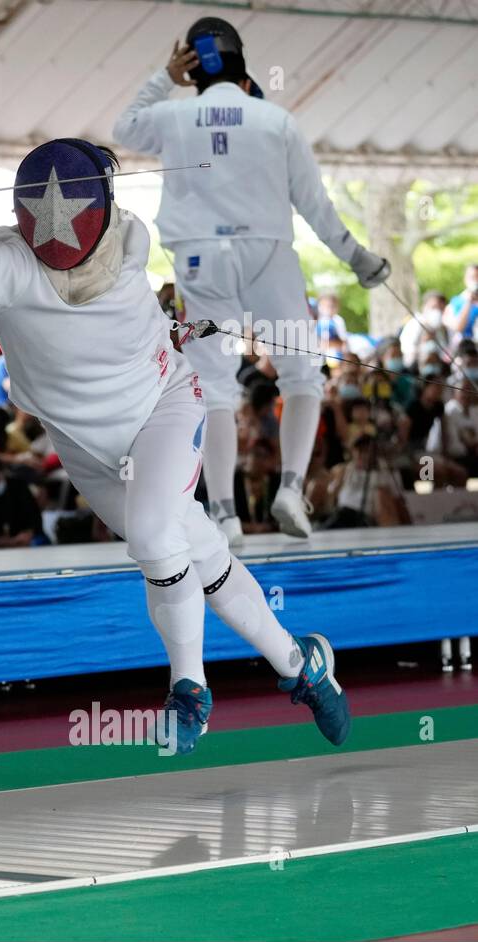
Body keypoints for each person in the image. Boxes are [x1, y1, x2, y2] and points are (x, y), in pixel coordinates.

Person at [0, 136, 351, 759]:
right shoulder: (8, 272)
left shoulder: (130, 245)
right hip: (86, 451)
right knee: (195, 551)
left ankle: (190, 689)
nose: (66, 263)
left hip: (165, 413)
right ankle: (300, 661)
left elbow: (122, 317)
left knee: (155, 536)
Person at [113, 16, 390, 547]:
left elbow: (124, 128)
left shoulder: (173, 112)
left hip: (199, 261)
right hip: (268, 256)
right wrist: (358, 259)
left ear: (193, 70)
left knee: (215, 387)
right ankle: (290, 489)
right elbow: (315, 205)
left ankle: (224, 515)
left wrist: (164, 77)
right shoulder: (274, 119)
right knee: (302, 375)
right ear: (245, 78)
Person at [444, 265, 478, 344]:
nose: (476, 280)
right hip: (466, 347)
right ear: (465, 279)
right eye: (473, 277)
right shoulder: (456, 302)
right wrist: (469, 302)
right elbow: (458, 327)